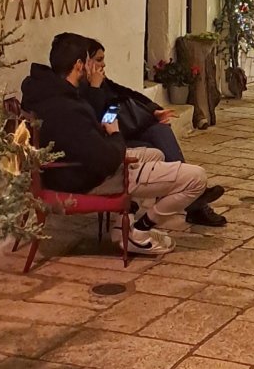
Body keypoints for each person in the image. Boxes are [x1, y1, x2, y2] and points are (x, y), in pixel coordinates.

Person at [20, 34, 208, 255]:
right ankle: (139, 230)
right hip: (85, 178)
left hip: (73, 167)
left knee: (156, 152)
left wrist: (141, 115)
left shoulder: (49, 92)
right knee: (196, 178)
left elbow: (112, 105)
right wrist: (115, 134)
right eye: (91, 60)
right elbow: (105, 159)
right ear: (79, 65)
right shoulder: (68, 105)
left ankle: (123, 225)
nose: (96, 66)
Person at [73, 34, 227, 227]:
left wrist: (152, 110)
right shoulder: (77, 89)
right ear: (84, 62)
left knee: (160, 130)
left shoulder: (101, 82)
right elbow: (95, 119)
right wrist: (96, 90)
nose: (103, 65)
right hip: (108, 141)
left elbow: (124, 96)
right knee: (155, 147)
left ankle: (192, 196)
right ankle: (194, 199)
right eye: (98, 60)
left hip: (121, 130)